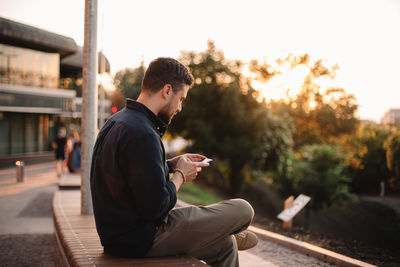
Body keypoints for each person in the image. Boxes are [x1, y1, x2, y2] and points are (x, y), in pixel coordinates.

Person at [90, 57, 257, 267]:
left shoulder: (117, 121)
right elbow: (156, 208)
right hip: (140, 238)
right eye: (181, 99)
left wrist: (170, 165)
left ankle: (224, 232)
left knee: (226, 245)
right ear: (167, 90)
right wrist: (181, 176)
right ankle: (224, 226)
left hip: (118, 235)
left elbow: (131, 175)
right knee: (243, 209)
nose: (179, 107)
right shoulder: (144, 134)